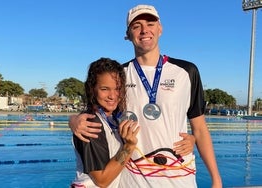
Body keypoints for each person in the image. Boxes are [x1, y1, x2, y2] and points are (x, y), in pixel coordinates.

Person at [70, 4, 222, 188]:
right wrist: (74, 119)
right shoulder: (120, 76)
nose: (144, 30)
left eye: (150, 23)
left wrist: (216, 178)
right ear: (128, 35)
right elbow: (98, 109)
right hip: (133, 180)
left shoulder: (186, 72)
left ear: (160, 28)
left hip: (180, 178)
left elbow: (199, 128)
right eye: (136, 26)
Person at [70, 57, 140, 188]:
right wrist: (129, 146)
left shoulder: (112, 118)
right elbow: (102, 180)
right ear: (92, 89)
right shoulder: (90, 124)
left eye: (117, 88)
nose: (112, 96)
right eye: (104, 89)